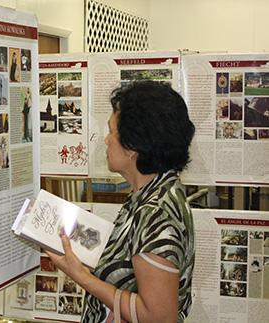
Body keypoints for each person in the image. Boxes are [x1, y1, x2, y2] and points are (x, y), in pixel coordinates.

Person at [46, 81, 196, 323]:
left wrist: (82, 277)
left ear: (133, 146)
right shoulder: (151, 191)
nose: (106, 140)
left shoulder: (156, 212)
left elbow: (157, 317)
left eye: (112, 131)